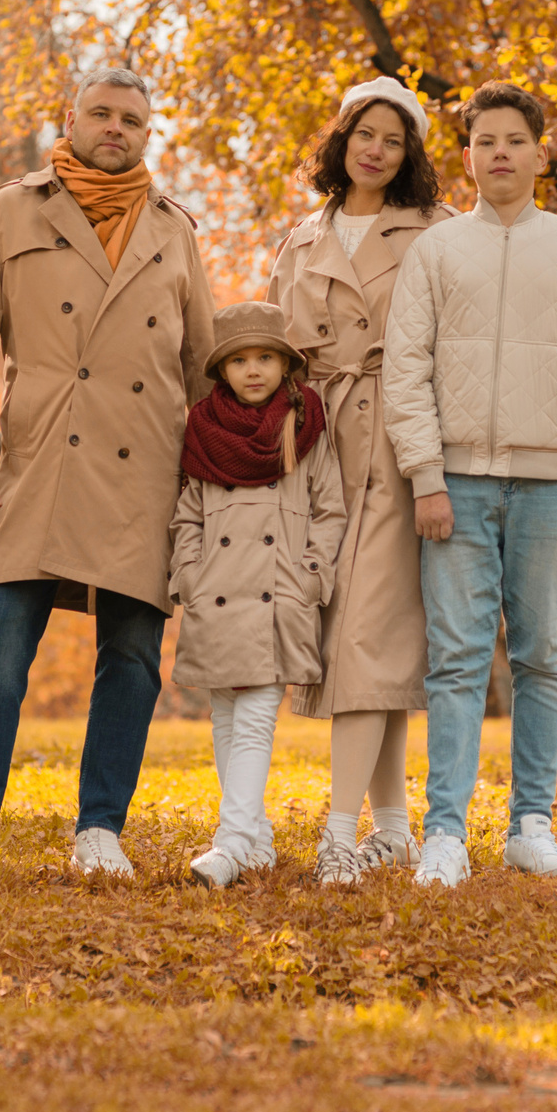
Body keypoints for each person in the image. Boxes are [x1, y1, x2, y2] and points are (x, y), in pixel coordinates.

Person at [0, 66, 217, 882]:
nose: (115, 127)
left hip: (146, 469)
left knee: (131, 657)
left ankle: (100, 829)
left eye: (132, 117)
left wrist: (216, 481)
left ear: (146, 131)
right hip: (40, 459)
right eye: (102, 113)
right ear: (72, 116)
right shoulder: (11, 209)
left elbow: (203, 363)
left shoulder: (173, 228)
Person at [379, 79, 557, 888]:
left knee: (542, 658)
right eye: (485, 141)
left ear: (539, 152)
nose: (500, 153)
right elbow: (406, 372)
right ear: (467, 156)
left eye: (514, 141)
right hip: (455, 483)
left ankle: (532, 823)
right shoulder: (436, 250)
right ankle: (445, 834)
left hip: (556, 484)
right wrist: (425, 477)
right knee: (456, 661)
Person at [262, 76, 453, 884]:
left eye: (393, 137)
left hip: (397, 444)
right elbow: (273, 347)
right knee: (357, 638)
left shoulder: (437, 232)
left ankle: (340, 833)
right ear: (340, 140)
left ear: (409, 153)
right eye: (363, 133)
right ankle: (395, 828)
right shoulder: (303, 238)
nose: (375, 148)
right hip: (315, 445)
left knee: (369, 635)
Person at [168, 300, 346, 888]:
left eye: (265, 357)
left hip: (277, 594)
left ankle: (231, 841)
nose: (253, 370)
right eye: (239, 359)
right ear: (221, 370)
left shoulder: (306, 424)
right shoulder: (204, 429)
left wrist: (309, 577)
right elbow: (187, 515)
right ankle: (257, 841)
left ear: (285, 365)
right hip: (217, 592)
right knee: (224, 716)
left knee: (254, 721)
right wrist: (189, 575)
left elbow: (329, 510)